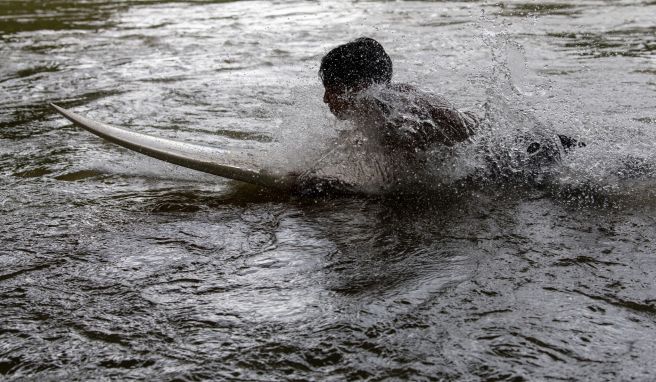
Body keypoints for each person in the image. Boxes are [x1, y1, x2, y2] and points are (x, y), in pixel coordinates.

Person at [300, 37, 584, 193]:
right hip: (514, 146)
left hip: (524, 155)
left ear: (359, 88)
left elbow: (404, 185)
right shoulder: (384, 106)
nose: (326, 99)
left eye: (332, 89)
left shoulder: (394, 114)